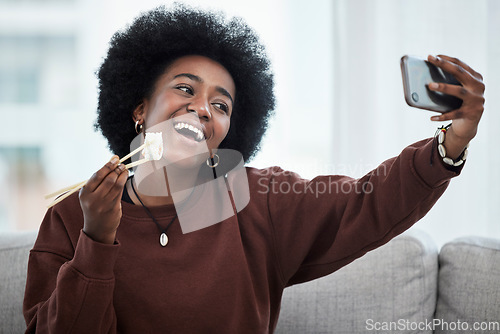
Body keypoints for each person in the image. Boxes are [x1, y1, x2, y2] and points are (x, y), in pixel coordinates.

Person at [23, 4, 485, 334]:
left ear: (227, 132)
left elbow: (368, 201)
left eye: (220, 105)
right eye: (186, 88)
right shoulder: (68, 220)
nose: (202, 109)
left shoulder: (255, 198)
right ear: (140, 108)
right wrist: (97, 240)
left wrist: (453, 141)